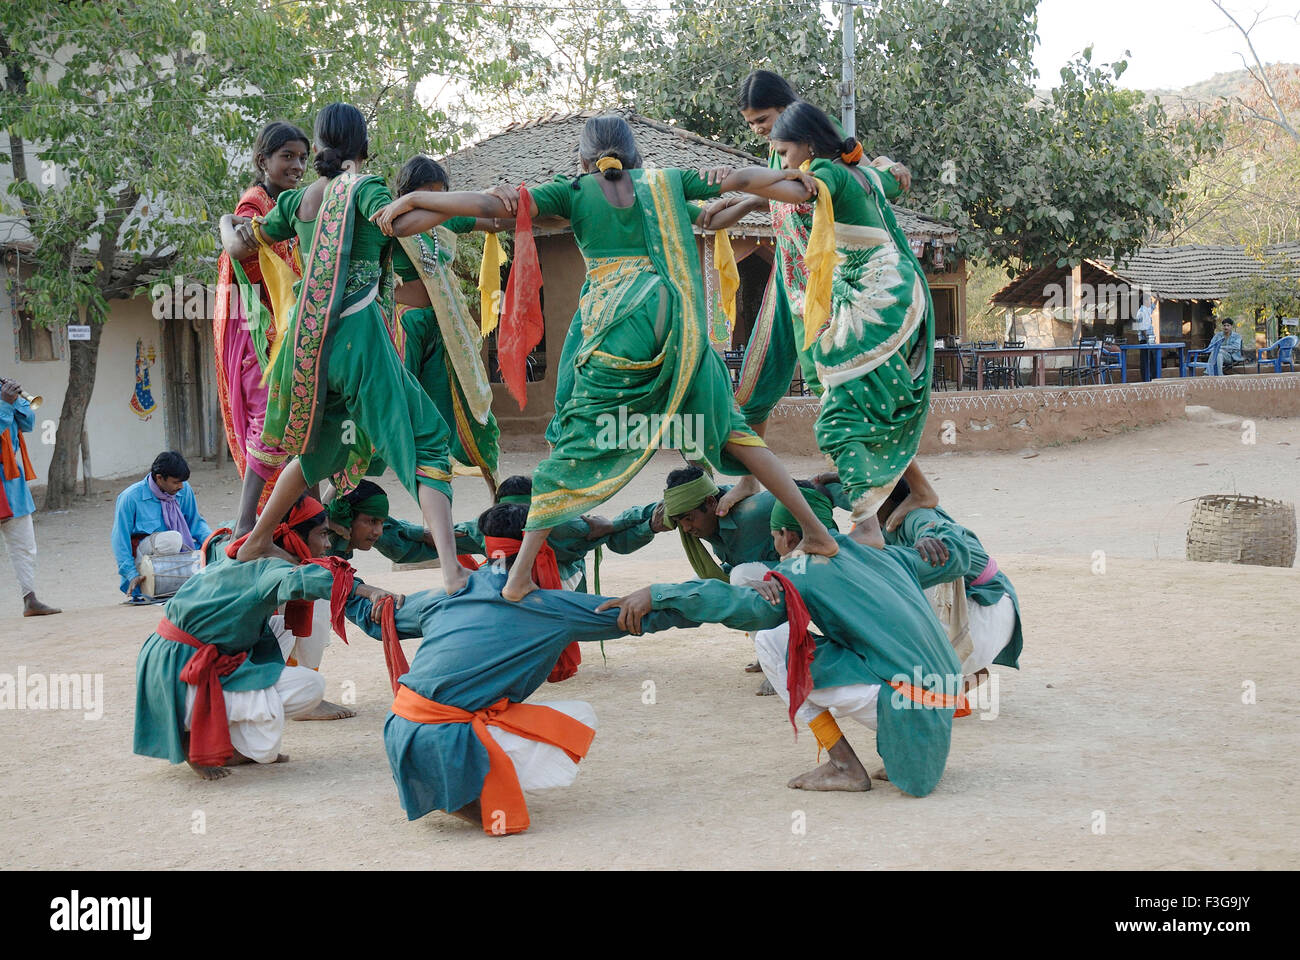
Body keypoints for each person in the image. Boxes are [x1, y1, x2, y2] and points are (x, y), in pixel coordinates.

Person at [372, 113, 840, 603]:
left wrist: (416, 197)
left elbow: (487, 204)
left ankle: (519, 577)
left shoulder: (572, 191)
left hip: (618, 324)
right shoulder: (667, 182)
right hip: (677, 318)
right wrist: (797, 182)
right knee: (734, 432)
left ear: (583, 158)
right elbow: (738, 179)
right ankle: (815, 530)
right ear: (636, 154)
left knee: (574, 442)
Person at [218, 102, 468, 597]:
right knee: (428, 442)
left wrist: (226, 222)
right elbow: (399, 223)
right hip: (361, 342)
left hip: (309, 349)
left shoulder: (298, 201)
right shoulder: (366, 189)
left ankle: (255, 538)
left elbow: (240, 246)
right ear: (364, 146)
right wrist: (465, 207)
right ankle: (451, 570)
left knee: (315, 451)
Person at [346, 502, 703, 835]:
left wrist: (358, 590)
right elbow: (641, 616)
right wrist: (676, 596)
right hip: (441, 737)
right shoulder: (550, 607)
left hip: (398, 732)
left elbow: (381, 618)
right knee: (580, 715)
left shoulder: (443, 595)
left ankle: (445, 781)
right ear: (539, 547)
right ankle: (460, 784)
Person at [599, 485, 968, 797]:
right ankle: (897, 746)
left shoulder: (801, 569)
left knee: (773, 640)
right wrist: (932, 529)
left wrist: (659, 593)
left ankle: (844, 765)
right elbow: (964, 550)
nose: (774, 543)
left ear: (790, 536)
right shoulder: (882, 551)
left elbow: (744, 608)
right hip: (946, 696)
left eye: (775, 536)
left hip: (906, 700)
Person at [699, 71, 910, 515]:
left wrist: (891, 166)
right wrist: (730, 204)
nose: (759, 130)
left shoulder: (815, 143)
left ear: (791, 113)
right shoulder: (781, 153)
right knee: (754, 384)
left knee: (829, 383)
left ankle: (876, 476)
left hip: (822, 283)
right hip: (787, 279)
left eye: (764, 119)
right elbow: (773, 196)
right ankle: (747, 481)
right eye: (752, 123)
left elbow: (867, 176)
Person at [764, 100, 939, 547]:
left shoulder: (831, 175)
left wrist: (726, 183)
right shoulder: (862, 172)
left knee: (838, 415)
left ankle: (867, 525)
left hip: (872, 294)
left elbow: (791, 189)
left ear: (805, 143)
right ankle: (912, 493)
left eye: (782, 150)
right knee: (869, 397)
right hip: (879, 289)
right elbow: (890, 179)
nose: (780, 160)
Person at [132, 496, 359, 780]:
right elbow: (304, 580)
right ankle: (194, 738)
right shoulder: (267, 567)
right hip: (180, 671)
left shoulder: (239, 547)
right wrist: (364, 590)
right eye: (322, 534)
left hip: (175, 658)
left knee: (287, 623)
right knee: (311, 686)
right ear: (293, 535)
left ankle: (236, 744)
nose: (328, 544)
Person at [213, 121, 310, 536]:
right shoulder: (255, 204)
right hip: (254, 326)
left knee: (302, 416)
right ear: (262, 161)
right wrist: (224, 220)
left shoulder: (288, 203)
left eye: (303, 157)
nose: (298, 165)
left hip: (282, 325)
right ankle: (245, 520)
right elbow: (237, 247)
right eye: (287, 156)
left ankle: (308, 511)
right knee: (272, 415)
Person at [389, 155, 503, 496]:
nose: (437, 198)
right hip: (403, 329)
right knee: (389, 408)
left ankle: (498, 495)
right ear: (408, 192)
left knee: (464, 407)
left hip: (444, 332)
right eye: (428, 191)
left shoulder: (445, 223)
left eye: (442, 192)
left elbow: (495, 221)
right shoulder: (388, 222)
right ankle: (339, 501)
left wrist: (509, 199)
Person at [874, 477, 1022, 687]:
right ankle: (960, 679)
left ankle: (944, 681)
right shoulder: (885, 520)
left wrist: (928, 535)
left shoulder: (916, 516)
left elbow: (951, 545)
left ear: (883, 499)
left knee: (891, 589)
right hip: (993, 622)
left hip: (986, 615)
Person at [111, 451, 212, 599]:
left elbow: (195, 523)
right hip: (143, 553)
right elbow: (120, 539)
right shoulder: (130, 497)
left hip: (173, 552)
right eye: (176, 482)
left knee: (207, 548)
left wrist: (212, 541)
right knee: (173, 539)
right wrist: (131, 574)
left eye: (182, 482)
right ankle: (146, 578)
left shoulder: (184, 490)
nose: (181, 487)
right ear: (159, 478)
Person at [0, 376, 59, 616]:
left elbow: (28, 424)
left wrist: (14, 400)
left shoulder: (4, 394)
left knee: (24, 546)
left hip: (12, 482)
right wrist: (4, 403)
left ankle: (30, 598)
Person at [1132, 293, 1156, 381]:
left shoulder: (1147, 310)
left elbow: (1153, 307)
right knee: (1145, 360)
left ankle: (1152, 377)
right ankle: (1145, 378)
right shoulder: (1141, 312)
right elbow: (1142, 328)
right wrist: (1147, 338)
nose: (1151, 301)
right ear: (1145, 301)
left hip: (1149, 340)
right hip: (1145, 340)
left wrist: (1157, 298)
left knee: (1151, 359)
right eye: (1150, 299)